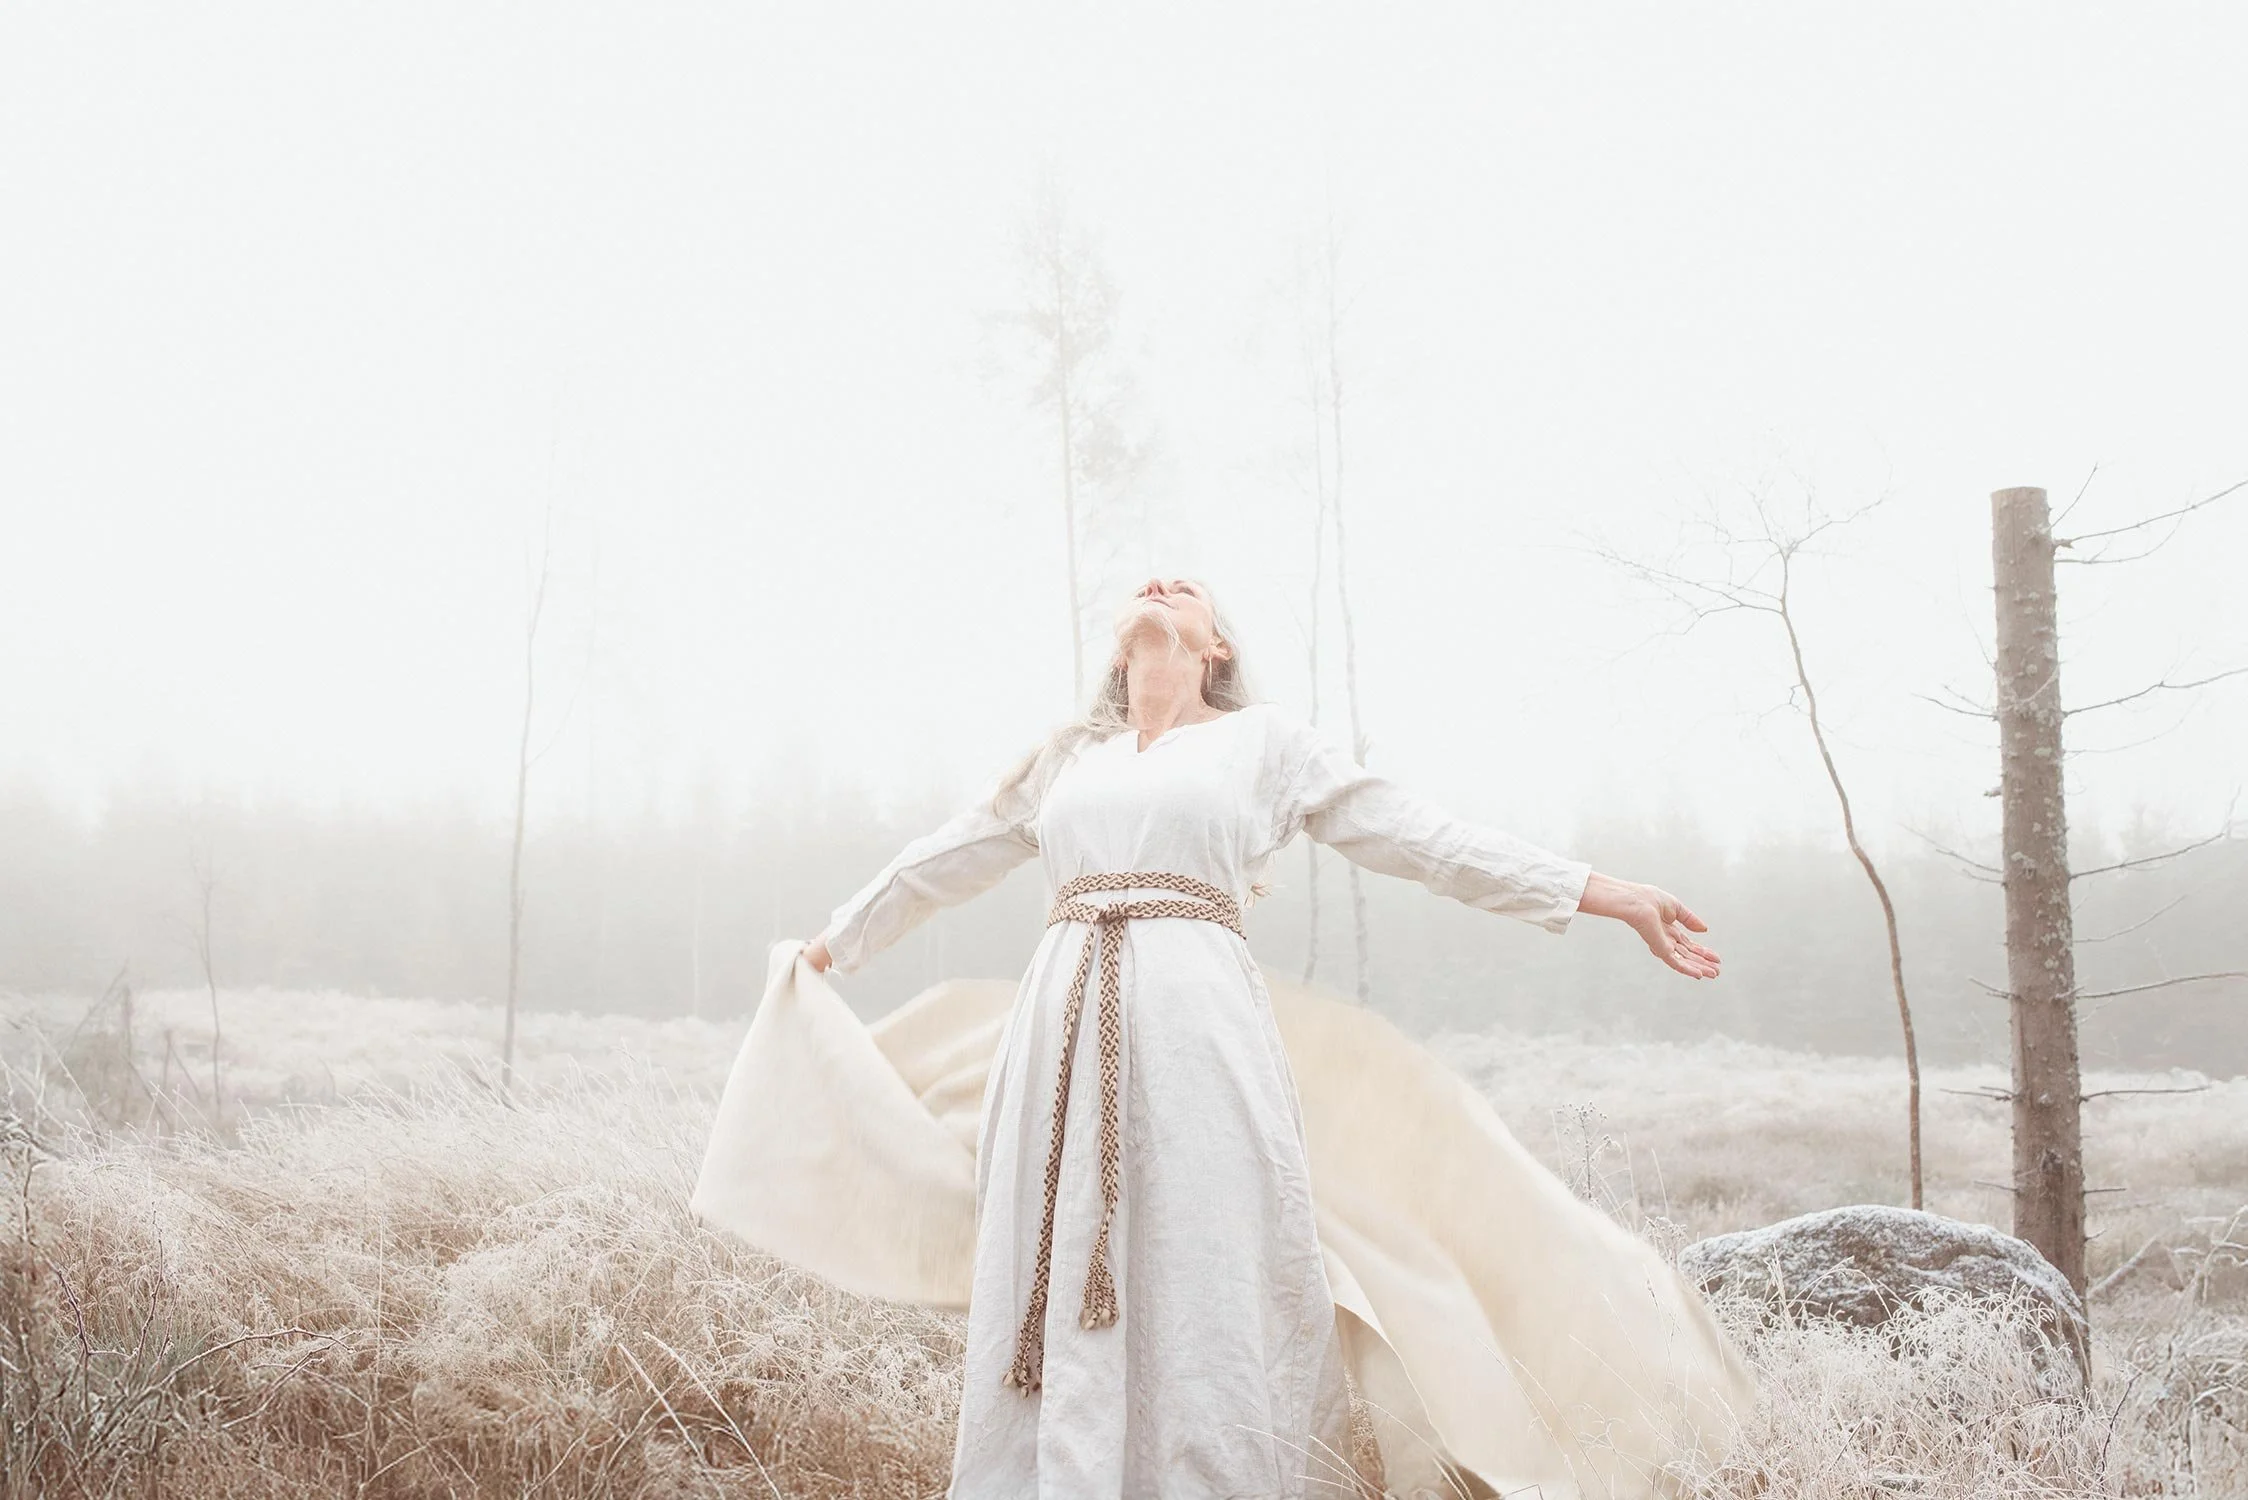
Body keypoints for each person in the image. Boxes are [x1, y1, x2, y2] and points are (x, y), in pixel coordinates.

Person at [785, 577, 1728, 1498]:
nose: (1160, 583)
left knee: (1208, 1255)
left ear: (1216, 646)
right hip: (1061, 1032)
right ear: (1121, 645)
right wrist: (821, 954)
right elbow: (939, 861)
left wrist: (1604, 892)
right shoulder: (1069, 760)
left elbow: (1421, 837)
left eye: (1185, 587)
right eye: (1146, 585)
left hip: (1202, 1031)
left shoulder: (1263, 744)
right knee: (1058, 1249)